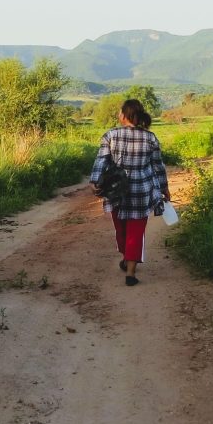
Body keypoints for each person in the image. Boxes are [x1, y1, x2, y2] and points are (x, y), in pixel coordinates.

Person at [90, 99, 169, 286]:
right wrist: (164, 188)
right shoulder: (150, 138)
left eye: (120, 112)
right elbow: (158, 166)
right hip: (141, 191)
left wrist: (95, 181)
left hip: (117, 190)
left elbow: (101, 160)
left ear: (124, 115)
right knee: (136, 230)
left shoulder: (110, 135)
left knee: (121, 230)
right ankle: (130, 272)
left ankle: (127, 260)